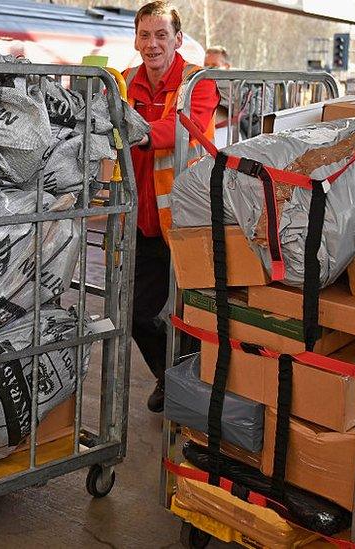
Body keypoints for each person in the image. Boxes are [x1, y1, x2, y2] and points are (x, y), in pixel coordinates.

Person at [124, 1, 219, 412]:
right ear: (136, 39)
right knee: (138, 315)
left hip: (187, 221)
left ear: (178, 40)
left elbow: (181, 127)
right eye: (145, 35)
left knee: (196, 317)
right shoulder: (125, 81)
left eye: (161, 35)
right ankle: (171, 379)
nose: (152, 43)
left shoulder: (199, 82)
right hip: (144, 221)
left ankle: (199, 397)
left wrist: (136, 131)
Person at [204, 46, 232, 148]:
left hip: (226, 132)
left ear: (227, 66)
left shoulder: (234, 85)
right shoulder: (199, 82)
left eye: (214, 66)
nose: (209, 69)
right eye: (206, 65)